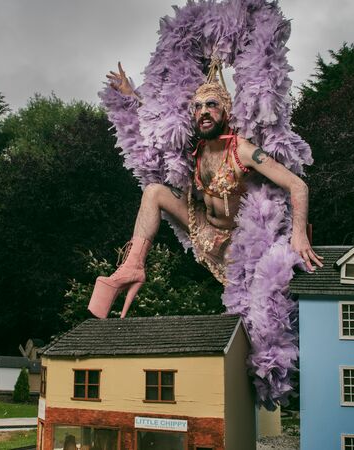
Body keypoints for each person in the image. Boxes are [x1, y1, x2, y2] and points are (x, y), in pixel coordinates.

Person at [88, 62, 322, 319]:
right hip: (202, 228)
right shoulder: (195, 146)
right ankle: (132, 266)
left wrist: (299, 235)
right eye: (198, 107)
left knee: (255, 311)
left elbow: (297, 185)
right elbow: (156, 126)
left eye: (211, 104)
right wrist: (130, 95)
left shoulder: (242, 150)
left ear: (227, 110)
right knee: (153, 191)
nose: (204, 112)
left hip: (237, 246)